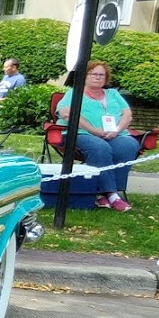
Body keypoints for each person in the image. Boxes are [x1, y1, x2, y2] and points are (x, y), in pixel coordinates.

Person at [56, 59, 138, 212]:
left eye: (101, 75)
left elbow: (127, 114)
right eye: (93, 74)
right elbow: (66, 113)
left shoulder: (113, 94)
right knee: (100, 147)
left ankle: (107, 194)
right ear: (84, 76)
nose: (98, 77)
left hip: (114, 134)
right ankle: (112, 195)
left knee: (129, 145)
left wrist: (117, 130)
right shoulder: (74, 93)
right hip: (82, 133)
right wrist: (94, 130)